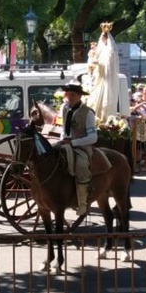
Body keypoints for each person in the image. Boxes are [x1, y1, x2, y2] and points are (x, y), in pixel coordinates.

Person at [58, 80, 97, 216]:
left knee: (81, 166)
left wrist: (73, 143)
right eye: (69, 94)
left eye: (74, 94)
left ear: (80, 96)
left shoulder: (88, 113)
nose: (71, 97)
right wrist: (63, 138)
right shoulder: (64, 108)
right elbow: (64, 128)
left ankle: (82, 204)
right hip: (65, 143)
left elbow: (93, 137)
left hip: (82, 147)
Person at [85, 22, 119, 121]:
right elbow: (93, 63)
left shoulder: (111, 50)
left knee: (105, 100)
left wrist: (99, 64)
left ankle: (104, 119)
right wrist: (93, 64)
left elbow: (110, 64)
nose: (103, 39)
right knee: (94, 99)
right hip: (98, 78)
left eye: (104, 37)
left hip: (106, 78)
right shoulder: (98, 50)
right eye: (102, 37)